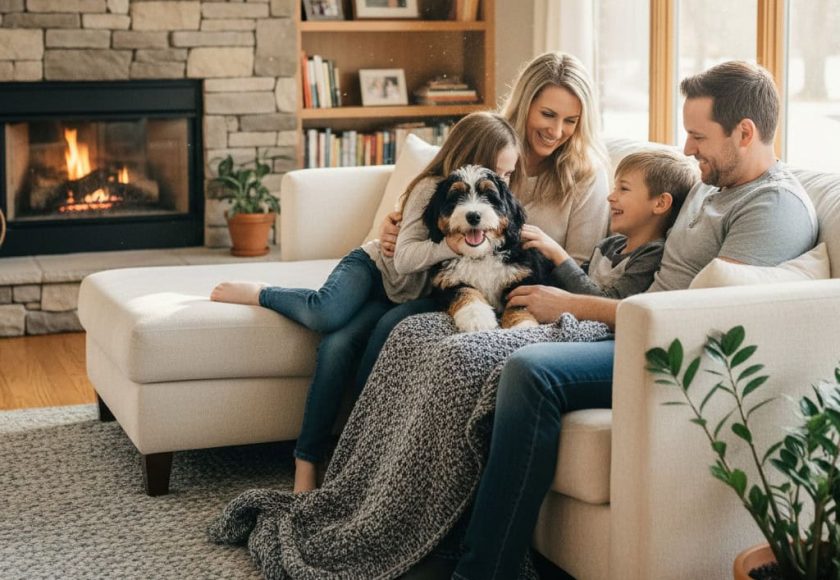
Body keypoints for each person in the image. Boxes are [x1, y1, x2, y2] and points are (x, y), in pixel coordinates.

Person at [451, 60, 819, 579]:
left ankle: (483, 571)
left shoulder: (771, 207)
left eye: (697, 136)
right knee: (475, 349)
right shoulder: (714, 185)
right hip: (631, 321)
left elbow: (703, 319)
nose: (687, 150)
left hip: (673, 351)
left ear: (745, 132)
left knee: (531, 370)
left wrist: (573, 304)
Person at [209, 111, 521, 493]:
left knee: (337, 346)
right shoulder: (432, 191)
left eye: (507, 177)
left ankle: (333, 453)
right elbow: (404, 258)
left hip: (402, 293)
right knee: (326, 313)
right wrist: (448, 244)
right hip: (374, 268)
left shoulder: (491, 211)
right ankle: (263, 292)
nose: (503, 185)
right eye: (499, 173)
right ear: (470, 158)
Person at [354, 51, 611, 391]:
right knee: (373, 324)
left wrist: (548, 255)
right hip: (456, 278)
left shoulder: (586, 177)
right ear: (524, 106)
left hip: (531, 287)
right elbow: (441, 195)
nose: (556, 131)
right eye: (547, 114)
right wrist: (396, 224)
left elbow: (579, 266)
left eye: (571, 121)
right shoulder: (493, 148)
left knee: (394, 323)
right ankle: (358, 427)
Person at [525, 148, 698, 299]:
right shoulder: (608, 246)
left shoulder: (652, 254)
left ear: (660, 203)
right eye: (614, 188)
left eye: (623, 189)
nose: (610, 197)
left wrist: (559, 255)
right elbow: (572, 285)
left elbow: (608, 303)